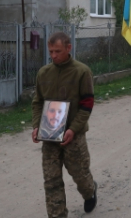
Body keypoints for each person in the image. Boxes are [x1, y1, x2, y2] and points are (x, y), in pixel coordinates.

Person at [31, 32, 97, 217]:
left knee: (80, 175)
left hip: (73, 136)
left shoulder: (82, 72)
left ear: (69, 48)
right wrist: (36, 125)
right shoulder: (44, 73)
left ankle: (90, 191)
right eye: (51, 51)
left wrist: (73, 129)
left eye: (57, 51)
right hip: (49, 136)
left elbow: (87, 104)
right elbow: (37, 102)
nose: (53, 55)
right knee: (51, 180)